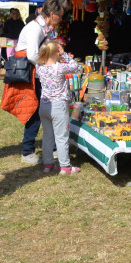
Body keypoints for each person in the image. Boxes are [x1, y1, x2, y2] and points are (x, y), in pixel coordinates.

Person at [1, 0, 69, 164]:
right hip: (31, 75)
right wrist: (49, 69)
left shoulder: (42, 28)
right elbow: (32, 55)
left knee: (44, 110)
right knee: (35, 111)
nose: (61, 19)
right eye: (60, 16)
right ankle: (27, 151)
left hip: (36, 74)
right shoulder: (35, 29)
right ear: (52, 14)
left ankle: (52, 147)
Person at [34, 40, 81, 175]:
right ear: (56, 53)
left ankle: (48, 164)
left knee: (47, 136)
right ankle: (65, 166)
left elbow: (39, 61)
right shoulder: (59, 67)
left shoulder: (40, 68)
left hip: (44, 105)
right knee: (61, 137)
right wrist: (64, 54)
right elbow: (75, 65)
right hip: (58, 106)